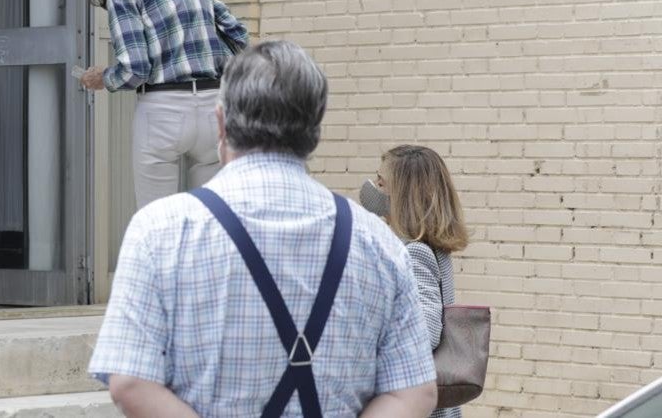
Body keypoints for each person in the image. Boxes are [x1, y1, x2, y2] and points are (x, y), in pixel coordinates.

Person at [88, 40, 438, 417]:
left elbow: (130, 384)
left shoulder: (159, 231)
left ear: (221, 123)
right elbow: (413, 394)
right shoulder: (378, 241)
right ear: (315, 131)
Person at [79, 0, 248, 209]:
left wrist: (103, 78)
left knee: (156, 218)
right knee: (212, 216)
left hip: (163, 109)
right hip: (213, 106)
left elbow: (135, 69)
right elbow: (239, 35)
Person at [362, 146, 470, 418]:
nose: (373, 188)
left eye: (381, 183)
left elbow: (427, 332)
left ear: (402, 195)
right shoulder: (429, 247)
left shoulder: (414, 252)